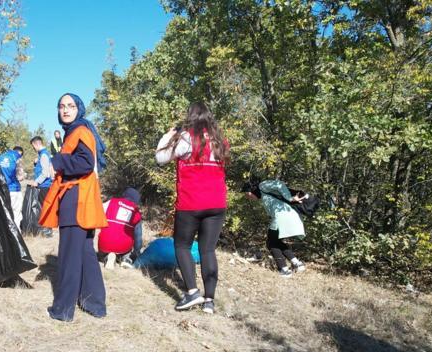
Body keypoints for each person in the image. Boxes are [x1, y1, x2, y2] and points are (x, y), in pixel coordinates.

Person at [39, 93, 108, 321]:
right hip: (82, 197)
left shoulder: (80, 131)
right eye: (61, 106)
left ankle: (63, 309)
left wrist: (56, 161)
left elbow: (86, 163)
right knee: (86, 252)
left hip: (76, 198)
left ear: (79, 108)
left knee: (69, 254)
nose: (65, 110)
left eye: (70, 106)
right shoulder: (77, 131)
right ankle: (94, 304)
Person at [155, 102, 229, 314]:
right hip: (217, 203)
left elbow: (160, 158)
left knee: (182, 246)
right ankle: (209, 301)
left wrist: (169, 135)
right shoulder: (220, 141)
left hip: (191, 203)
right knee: (208, 250)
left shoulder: (187, 137)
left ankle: (192, 293)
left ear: (191, 117)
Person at [242, 180, 306, 278]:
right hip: (288, 216)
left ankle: (284, 270)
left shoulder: (262, 186)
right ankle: (298, 264)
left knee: (271, 243)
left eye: (247, 194)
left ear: (251, 190)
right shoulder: (263, 196)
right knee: (277, 242)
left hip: (283, 216)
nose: (248, 197)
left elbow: (279, 183)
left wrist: (290, 198)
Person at [98, 187, 143, 269]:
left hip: (105, 243)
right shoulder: (137, 213)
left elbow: (97, 213)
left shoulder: (111, 202)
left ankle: (106, 256)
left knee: (102, 251)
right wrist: (136, 252)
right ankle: (125, 259)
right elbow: (138, 237)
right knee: (127, 250)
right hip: (123, 247)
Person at [30, 135, 54, 237]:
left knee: (45, 207)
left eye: (33, 146)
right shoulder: (41, 155)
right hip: (43, 185)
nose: (33, 148)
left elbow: (46, 173)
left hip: (44, 186)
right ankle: (45, 228)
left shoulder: (44, 155)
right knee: (43, 207)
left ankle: (48, 230)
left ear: (37, 144)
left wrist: (37, 182)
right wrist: (36, 163)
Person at [0, 146, 25, 229]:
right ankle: (17, 234)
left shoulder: (0, 157)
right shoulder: (17, 158)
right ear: (20, 153)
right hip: (14, 189)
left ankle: (7, 233)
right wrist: (23, 176)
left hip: (3, 189)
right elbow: (20, 176)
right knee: (16, 213)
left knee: (6, 212)